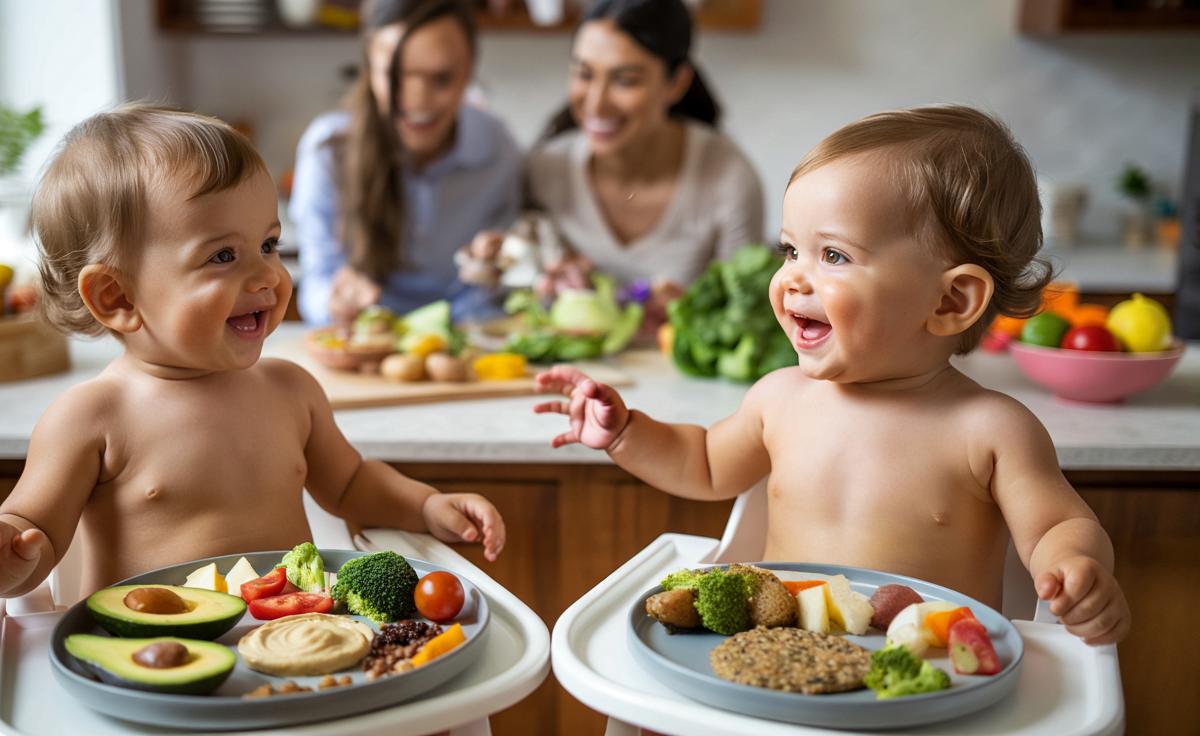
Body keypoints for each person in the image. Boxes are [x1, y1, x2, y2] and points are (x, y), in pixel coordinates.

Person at [533, 105, 1130, 645]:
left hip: (927, 685)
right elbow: (705, 463)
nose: (793, 278)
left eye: (834, 256)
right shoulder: (780, 399)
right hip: (774, 661)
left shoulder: (991, 429)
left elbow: (1059, 524)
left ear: (951, 301)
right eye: (790, 251)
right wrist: (625, 433)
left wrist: (1075, 567)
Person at [0, 105, 505, 605]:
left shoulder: (291, 390)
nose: (267, 275)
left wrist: (426, 506)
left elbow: (351, 484)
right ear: (117, 297)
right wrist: (3, 559)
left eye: (268, 244)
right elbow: (35, 533)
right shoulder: (91, 417)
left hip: (290, 642)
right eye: (223, 256)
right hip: (154, 660)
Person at [464, 0, 763, 319]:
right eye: (584, 74)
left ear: (676, 83)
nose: (596, 104)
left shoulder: (728, 180)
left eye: (625, 80)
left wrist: (685, 313)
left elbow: (744, 317)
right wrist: (493, 266)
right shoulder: (545, 169)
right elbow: (518, 294)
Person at [289, 0, 522, 326]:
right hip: (364, 336)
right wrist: (337, 300)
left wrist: (487, 278)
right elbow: (317, 282)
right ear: (370, 67)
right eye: (396, 76)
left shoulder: (498, 149)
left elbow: (493, 286)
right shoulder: (328, 150)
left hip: (465, 337)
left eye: (441, 78)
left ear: (469, 69)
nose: (417, 100)